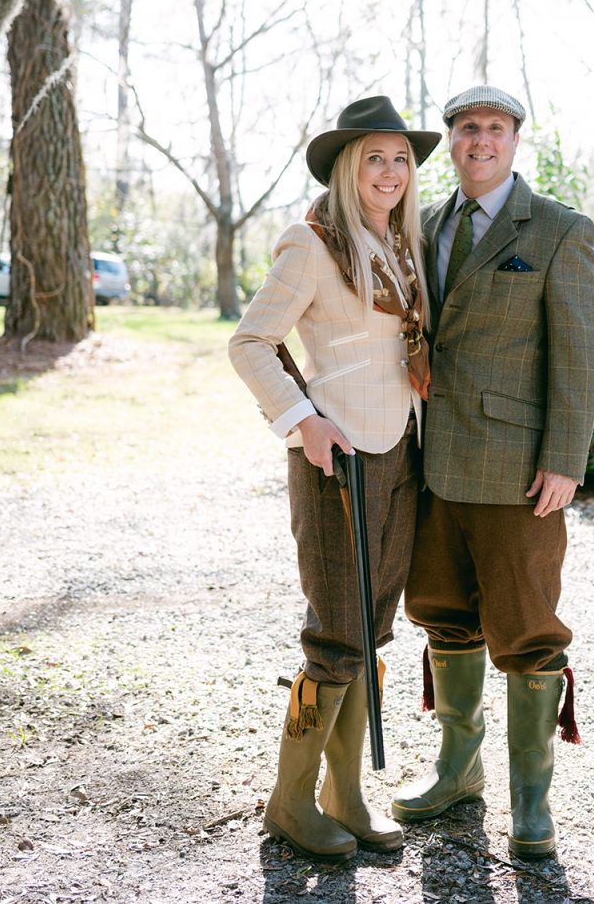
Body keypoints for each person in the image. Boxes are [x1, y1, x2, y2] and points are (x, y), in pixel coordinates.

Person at [390, 85, 594, 859]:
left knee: (528, 631)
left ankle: (532, 801)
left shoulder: (557, 229)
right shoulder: (426, 223)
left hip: (518, 471)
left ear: (514, 141)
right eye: (467, 128)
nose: (480, 140)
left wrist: (565, 460)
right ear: (450, 141)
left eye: (495, 129)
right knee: (443, 611)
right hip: (433, 461)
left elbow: (579, 354)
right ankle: (456, 769)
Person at [228, 96, 441, 863]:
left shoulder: (401, 245)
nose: (389, 171)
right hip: (337, 458)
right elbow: (251, 342)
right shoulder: (312, 243)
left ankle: (342, 795)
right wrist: (302, 421)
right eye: (374, 158)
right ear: (349, 167)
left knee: (372, 627)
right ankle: (290, 800)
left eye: (400, 159)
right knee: (335, 636)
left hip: (402, 453)